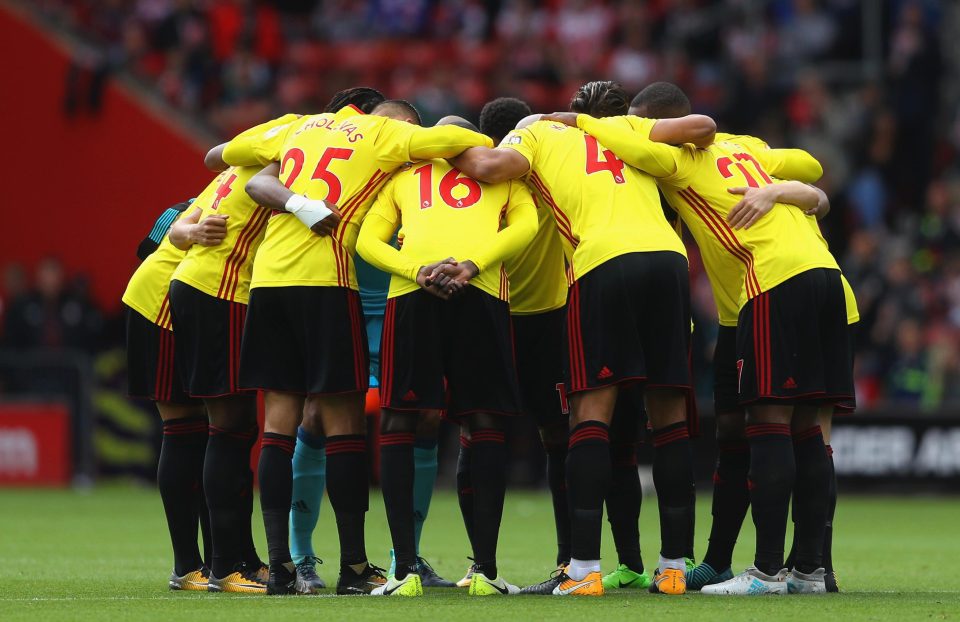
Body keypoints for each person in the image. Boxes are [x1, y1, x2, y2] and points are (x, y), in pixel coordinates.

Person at [561, 81, 852, 595]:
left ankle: (767, 572)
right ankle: (805, 568)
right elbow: (811, 167)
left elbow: (625, 145)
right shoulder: (747, 149)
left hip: (769, 281)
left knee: (769, 422)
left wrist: (579, 120)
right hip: (812, 282)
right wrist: (775, 187)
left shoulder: (675, 160)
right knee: (803, 429)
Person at [220, 98, 493, 594]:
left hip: (379, 306)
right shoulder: (384, 145)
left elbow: (226, 153)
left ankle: (399, 558)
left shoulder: (324, 138)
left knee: (421, 417)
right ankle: (310, 560)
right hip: (335, 293)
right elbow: (456, 136)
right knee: (318, 419)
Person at [450, 81, 712, 596]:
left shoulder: (537, 133)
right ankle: (675, 566)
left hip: (601, 264)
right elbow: (701, 128)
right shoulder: (625, 128)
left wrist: (444, 145)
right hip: (669, 261)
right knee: (670, 419)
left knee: (590, 414)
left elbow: (487, 168)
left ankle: (583, 569)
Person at [356, 115, 537, 596]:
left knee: (399, 419)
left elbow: (366, 241)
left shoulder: (404, 174)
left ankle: (402, 574)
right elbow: (528, 226)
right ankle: (487, 573)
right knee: (484, 423)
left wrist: (416, 270)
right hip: (481, 294)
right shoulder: (501, 174)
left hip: (412, 297)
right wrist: (473, 266)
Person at [167, 152, 275, 593]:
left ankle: (238, 559)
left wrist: (192, 230)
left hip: (196, 287)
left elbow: (177, 227)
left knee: (233, 428)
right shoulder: (275, 167)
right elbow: (170, 230)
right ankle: (224, 566)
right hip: (219, 292)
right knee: (226, 429)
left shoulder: (232, 171)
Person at [121, 200, 226, 591]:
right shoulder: (185, 208)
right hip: (163, 308)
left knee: (202, 432)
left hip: (191, 310)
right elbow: (151, 254)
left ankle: (215, 560)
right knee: (184, 426)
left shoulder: (206, 202)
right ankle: (187, 564)